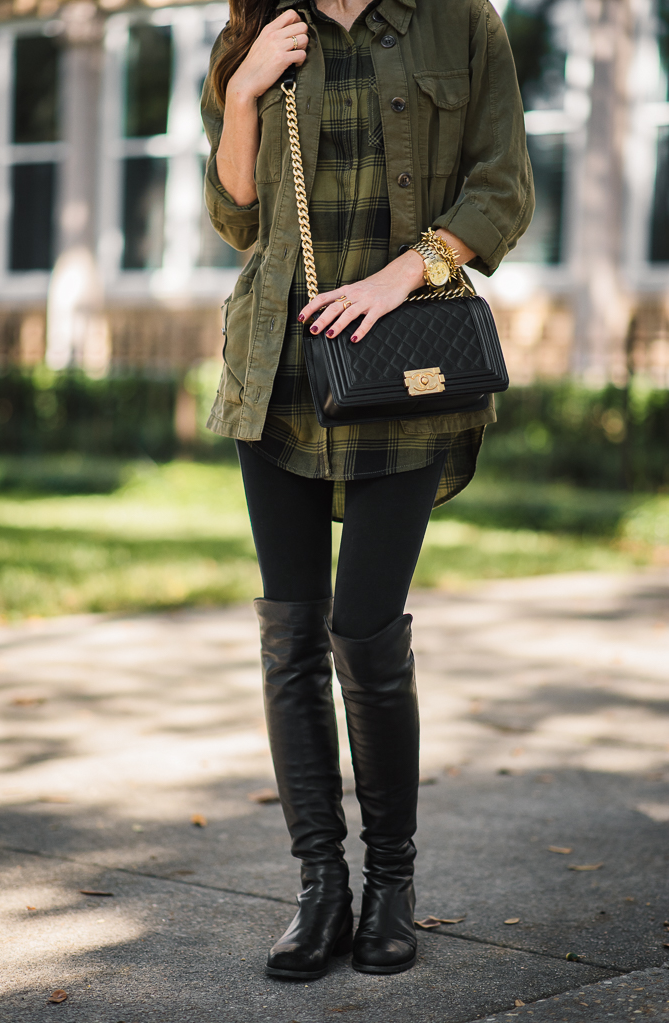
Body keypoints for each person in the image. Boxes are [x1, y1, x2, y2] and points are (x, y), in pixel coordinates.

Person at [201, 0, 533, 980]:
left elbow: (500, 185)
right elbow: (235, 215)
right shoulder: (257, 28)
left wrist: (405, 275)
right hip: (280, 370)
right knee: (290, 635)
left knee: (364, 633)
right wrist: (244, 91)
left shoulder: (459, 23)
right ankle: (319, 892)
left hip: (405, 371)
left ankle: (391, 884)